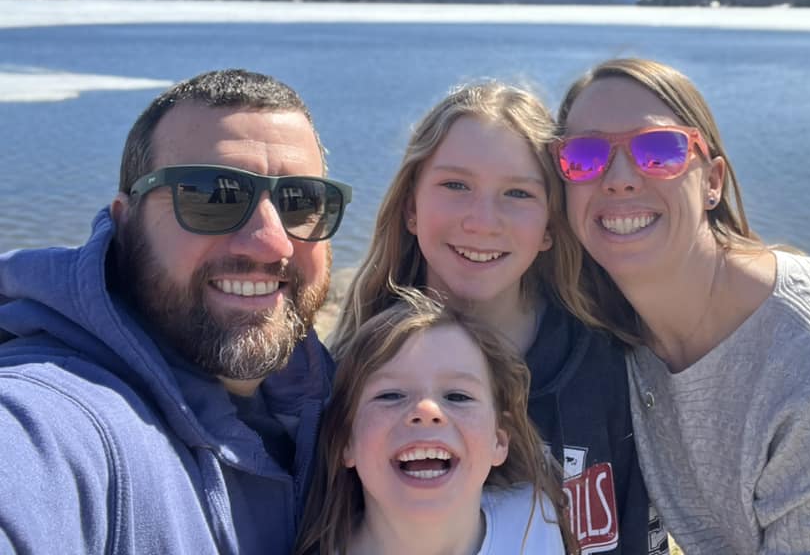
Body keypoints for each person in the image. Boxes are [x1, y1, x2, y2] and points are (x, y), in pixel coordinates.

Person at [553, 57, 810, 554]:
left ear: (712, 182)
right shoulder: (615, 331)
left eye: (659, 151)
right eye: (585, 156)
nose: (618, 178)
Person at [0, 69, 353, 554]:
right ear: (127, 222)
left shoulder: (338, 405)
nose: (272, 243)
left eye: (300, 202)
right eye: (212, 197)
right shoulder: (51, 422)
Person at [330, 81, 667, 555]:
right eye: (455, 185)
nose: (482, 221)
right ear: (410, 207)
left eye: (518, 193)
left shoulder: (608, 361)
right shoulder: (356, 372)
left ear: (551, 226)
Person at [296, 288, 574, 554]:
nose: (427, 409)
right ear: (346, 440)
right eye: (391, 395)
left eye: (457, 396)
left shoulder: (533, 517)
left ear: (499, 440)